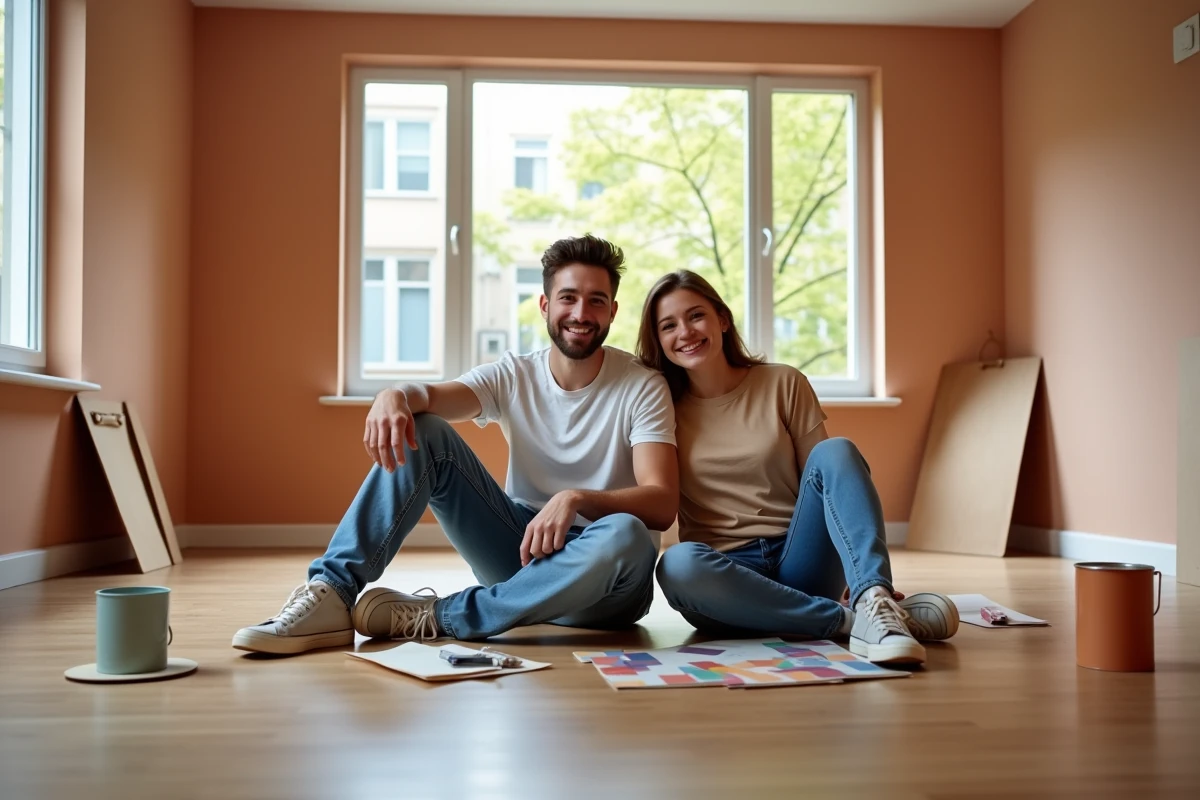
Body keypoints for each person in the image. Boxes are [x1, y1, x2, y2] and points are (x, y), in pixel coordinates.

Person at [233, 235, 678, 655]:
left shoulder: (641, 385)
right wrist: (394, 395)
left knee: (628, 533)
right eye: (568, 298)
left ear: (613, 311)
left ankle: (444, 615)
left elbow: (661, 503)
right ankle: (332, 593)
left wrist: (576, 498)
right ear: (545, 304)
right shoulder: (515, 374)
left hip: (607, 586)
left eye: (595, 301)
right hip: (522, 552)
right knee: (426, 431)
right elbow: (430, 397)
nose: (581, 312)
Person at [635, 270, 958, 665]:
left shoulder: (782, 382)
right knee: (678, 564)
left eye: (696, 315)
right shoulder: (657, 408)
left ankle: (873, 594)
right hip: (728, 580)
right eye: (669, 325)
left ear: (722, 319)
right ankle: (855, 620)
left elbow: (827, 481)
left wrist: (856, 575)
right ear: (659, 341)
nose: (685, 331)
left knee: (836, 450)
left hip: (800, 559)